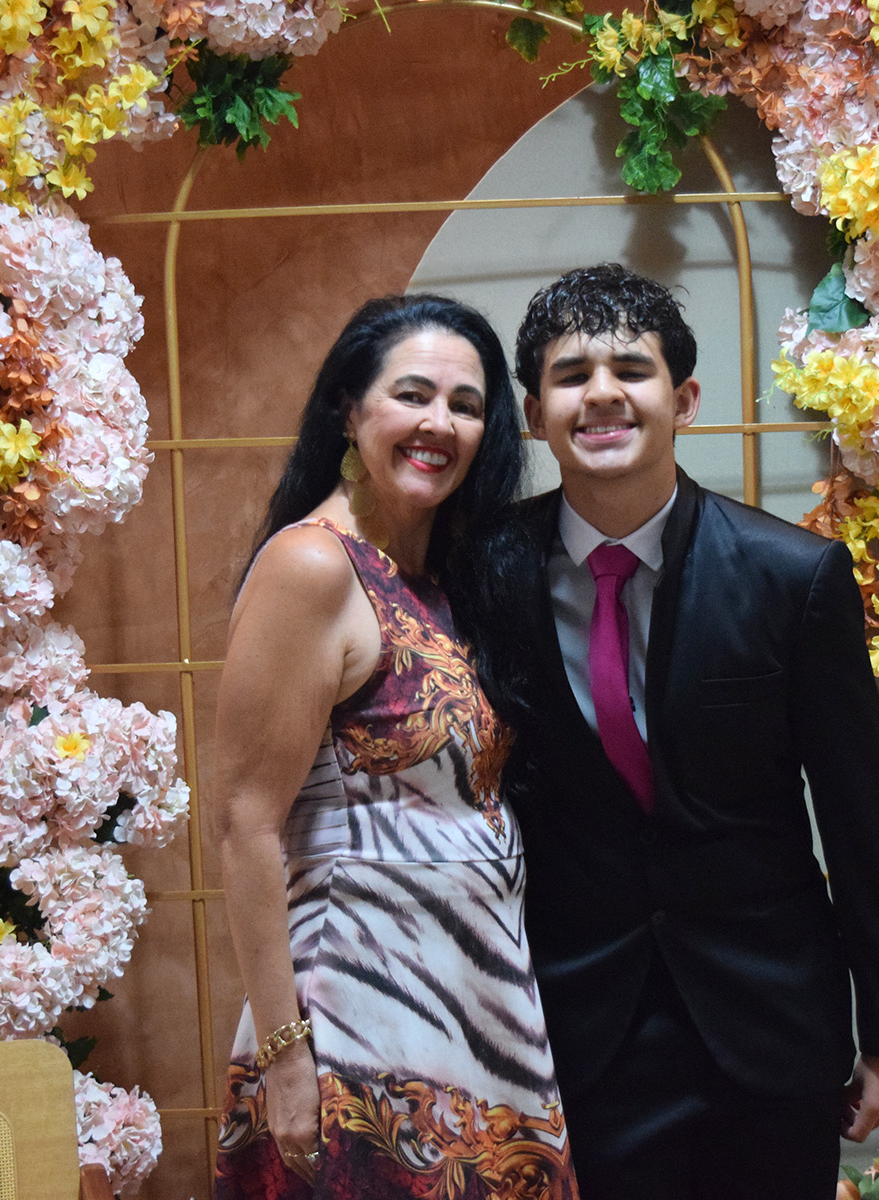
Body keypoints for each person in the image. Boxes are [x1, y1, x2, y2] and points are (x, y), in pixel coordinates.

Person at [485, 264, 879, 1200]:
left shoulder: (794, 576)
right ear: (533, 414)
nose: (601, 394)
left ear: (684, 400)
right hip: (577, 1024)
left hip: (768, 1019)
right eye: (570, 376)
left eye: (631, 370)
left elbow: (859, 815)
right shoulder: (483, 573)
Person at [211, 294, 578, 1200]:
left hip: (475, 1009)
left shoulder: (448, 578)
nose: (439, 424)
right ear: (349, 409)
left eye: (465, 404)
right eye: (412, 394)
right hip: (356, 1023)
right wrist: (286, 1060)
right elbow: (245, 827)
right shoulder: (314, 565)